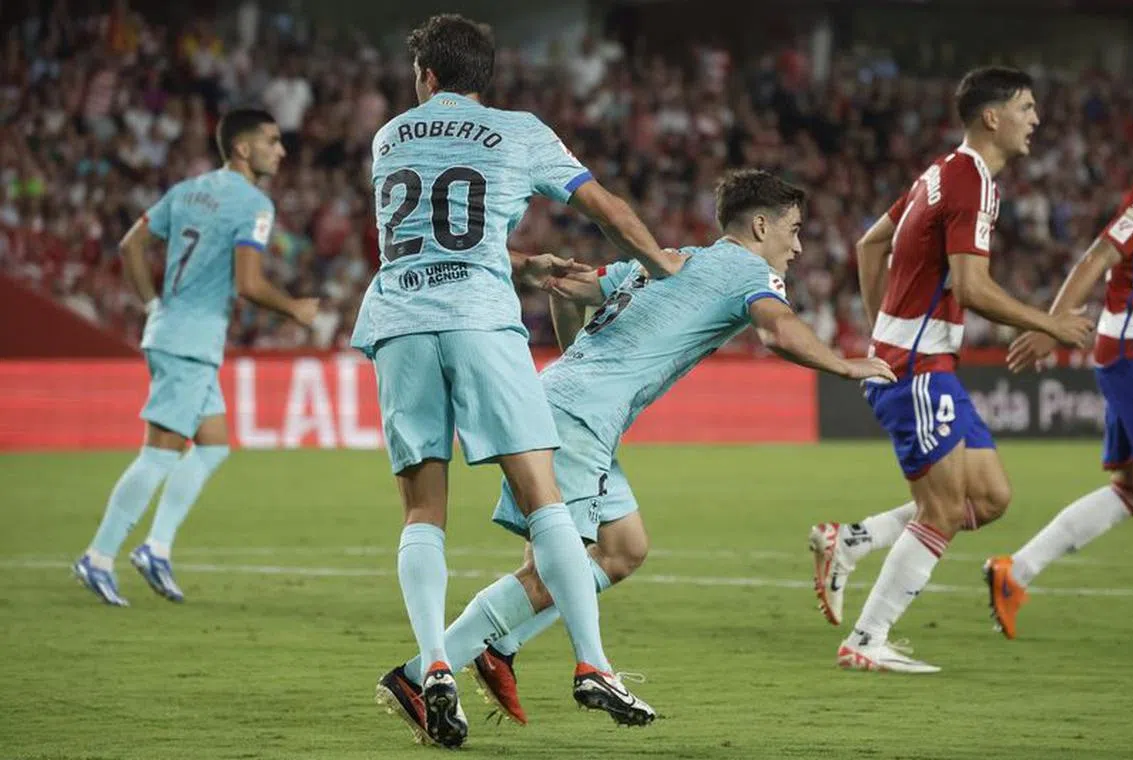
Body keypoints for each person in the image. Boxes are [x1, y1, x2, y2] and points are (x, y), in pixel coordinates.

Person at [375, 168, 896, 741]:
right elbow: (776, 332)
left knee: (623, 548)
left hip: (567, 405)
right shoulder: (749, 272)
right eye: (793, 230)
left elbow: (571, 295)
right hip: (578, 419)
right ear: (761, 224)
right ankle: (421, 673)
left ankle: (498, 643)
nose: (797, 246)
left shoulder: (665, 259)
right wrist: (846, 365)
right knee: (551, 570)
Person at [348, 14, 684, 748]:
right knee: (544, 499)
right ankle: (592, 662)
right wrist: (662, 265)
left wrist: (519, 262)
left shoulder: (389, 137)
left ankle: (435, 662)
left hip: (400, 319)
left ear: (426, 77)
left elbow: (437, 230)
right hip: (479, 318)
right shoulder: (519, 129)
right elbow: (606, 212)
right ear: (482, 79)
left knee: (421, 512)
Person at [809, 66, 1093, 673]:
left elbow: (869, 245)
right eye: (1027, 107)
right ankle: (866, 640)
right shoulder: (974, 182)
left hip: (918, 359)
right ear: (993, 117)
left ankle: (850, 540)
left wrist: (884, 328)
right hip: (917, 368)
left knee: (988, 497)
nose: (1035, 120)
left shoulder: (939, 172)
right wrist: (1048, 323)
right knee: (940, 512)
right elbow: (971, 285)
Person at [73, 108, 319, 606]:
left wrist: (152, 304)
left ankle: (156, 548)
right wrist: (294, 308)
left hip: (175, 332)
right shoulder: (254, 204)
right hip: (189, 341)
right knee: (159, 453)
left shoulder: (188, 190)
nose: (282, 150)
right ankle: (98, 557)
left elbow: (130, 245)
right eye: (273, 141)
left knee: (212, 445)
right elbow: (249, 284)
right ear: (244, 149)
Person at [983, 181, 1133, 638]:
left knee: (1132, 490)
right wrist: (1052, 326)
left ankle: (1015, 574)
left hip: (1126, 352)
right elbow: (1096, 258)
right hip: (1131, 353)